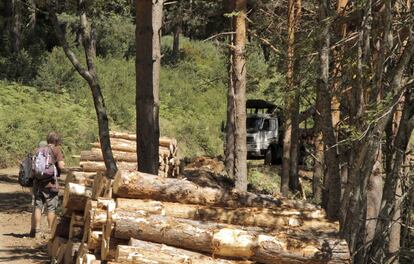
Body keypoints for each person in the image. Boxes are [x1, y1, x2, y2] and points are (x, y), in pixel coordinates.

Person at [30, 132, 65, 238]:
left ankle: (37, 231)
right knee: (51, 208)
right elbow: (61, 165)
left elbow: (33, 168)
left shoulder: (38, 150)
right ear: (56, 141)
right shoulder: (56, 149)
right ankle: (50, 232)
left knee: (38, 207)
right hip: (51, 184)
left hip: (38, 184)